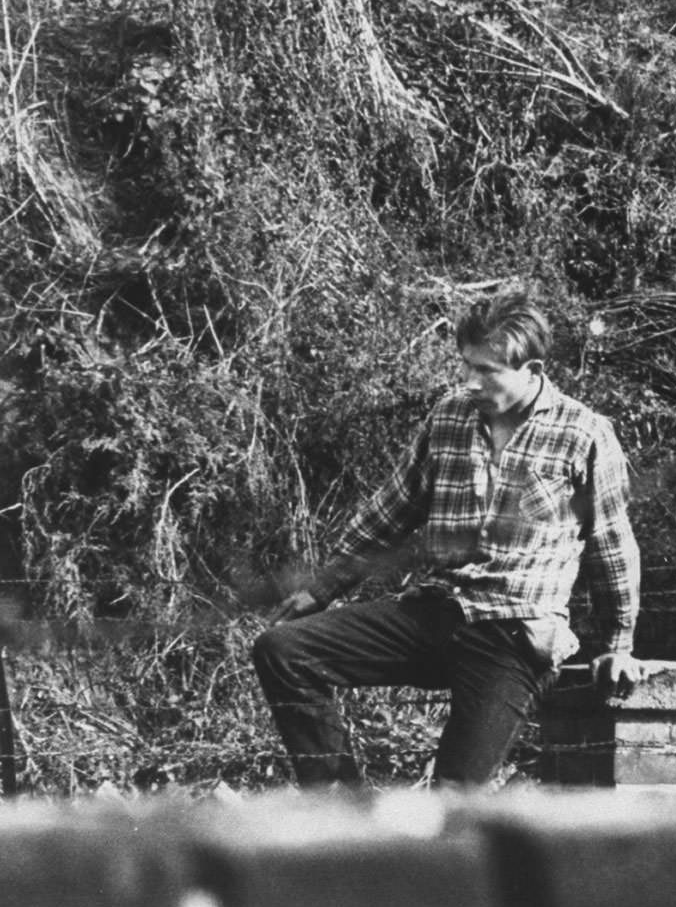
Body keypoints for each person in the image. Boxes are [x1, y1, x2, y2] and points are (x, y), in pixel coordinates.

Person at [251, 289, 645, 788]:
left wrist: (617, 643)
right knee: (283, 651)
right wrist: (322, 588)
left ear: (533, 370)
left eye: (487, 371)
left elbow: (612, 545)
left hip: (514, 632)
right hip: (435, 613)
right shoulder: (450, 416)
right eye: (466, 366)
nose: (471, 382)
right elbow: (389, 513)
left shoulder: (584, 434)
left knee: (452, 801)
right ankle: (344, 816)